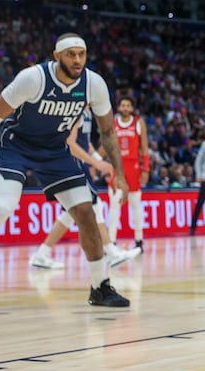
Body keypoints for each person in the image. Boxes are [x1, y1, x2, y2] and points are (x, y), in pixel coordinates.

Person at [0, 33, 131, 314]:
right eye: (70, 54)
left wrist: (121, 175)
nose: (77, 60)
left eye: (82, 54)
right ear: (57, 56)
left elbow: (109, 131)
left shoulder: (94, 84)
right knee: (2, 208)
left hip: (55, 151)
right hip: (17, 146)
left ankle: (100, 286)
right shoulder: (32, 78)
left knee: (87, 213)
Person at [30, 108, 142, 269]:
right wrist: (96, 164)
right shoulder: (76, 111)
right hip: (70, 164)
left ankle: (42, 254)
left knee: (70, 213)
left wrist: (99, 161)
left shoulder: (87, 113)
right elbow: (70, 144)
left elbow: (85, 142)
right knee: (95, 205)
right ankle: (111, 252)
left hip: (73, 164)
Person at [109, 96, 149, 251]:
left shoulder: (138, 123)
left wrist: (146, 169)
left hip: (133, 167)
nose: (125, 108)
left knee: (135, 205)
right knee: (114, 204)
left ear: (132, 108)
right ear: (118, 108)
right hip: (117, 166)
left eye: (128, 105)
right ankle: (111, 241)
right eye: (123, 105)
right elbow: (107, 145)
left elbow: (144, 148)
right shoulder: (112, 123)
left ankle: (139, 240)